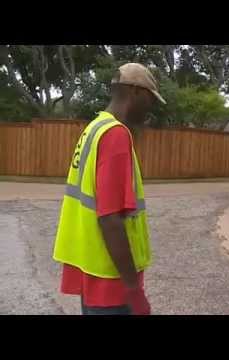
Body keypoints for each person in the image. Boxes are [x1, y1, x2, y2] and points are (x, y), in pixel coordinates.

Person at [53, 63, 166, 315]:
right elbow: (110, 218)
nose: (151, 106)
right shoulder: (115, 135)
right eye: (150, 98)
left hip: (91, 271)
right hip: (111, 282)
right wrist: (133, 289)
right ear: (135, 92)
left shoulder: (94, 128)